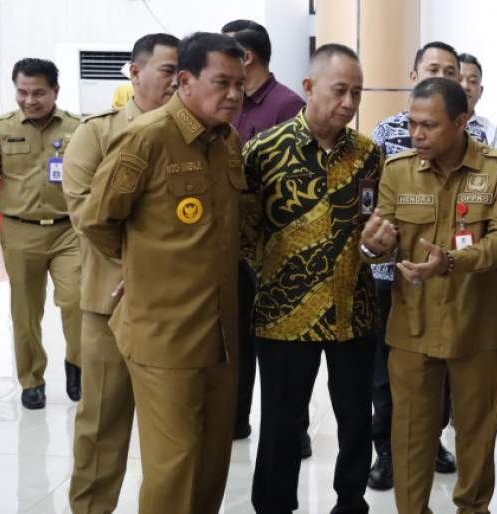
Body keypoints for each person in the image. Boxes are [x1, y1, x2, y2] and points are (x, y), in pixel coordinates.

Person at [80, 32, 246, 513]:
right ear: (186, 81)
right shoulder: (147, 138)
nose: (234, 94)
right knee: (174, 467)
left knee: (212, 461)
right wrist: (138, 267)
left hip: (220, 332)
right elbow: (97, 220)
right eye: (222, 82)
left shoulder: (228, 141)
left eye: (239, 84)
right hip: (164, 334)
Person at [360, 77, 497, 514]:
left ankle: (474, 508)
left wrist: (450, 261)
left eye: (429, 125)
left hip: (476, 324)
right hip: (413, 325)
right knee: (410, 435)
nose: (417, 134)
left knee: (476, 433)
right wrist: (373, 246)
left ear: (461, 121)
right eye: (412, 124)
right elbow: (382, 240)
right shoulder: (398, 170)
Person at [242, 43, 380, 514]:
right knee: (282, 422)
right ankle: (275, 504)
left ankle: (350, 502)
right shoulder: (263, 152)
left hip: (352, 311)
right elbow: (245, 235)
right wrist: (278, 273)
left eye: (356, 93)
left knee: (356, 420)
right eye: (339, 90)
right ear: (308, 87)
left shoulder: (368, 155)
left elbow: (373, 227)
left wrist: (378, 245)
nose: (348, 102)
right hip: (284, 316)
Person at [63, 33, 179, 514]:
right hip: (110, 300)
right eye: (167, 70)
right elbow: (84, 214)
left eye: (182, 73)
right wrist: (140, 267)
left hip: (175, 305)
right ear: (135, 72)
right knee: (101, 422)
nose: (176, 82)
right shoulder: (97, 133)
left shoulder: (190, 136)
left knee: (171, 430)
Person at [368, 40, 462, 491]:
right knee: (389, 370)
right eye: (432, 68)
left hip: (447, 275)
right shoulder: (388, 133)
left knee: (440, 365)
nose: (440, 76)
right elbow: (376, 203)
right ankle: (387, 449)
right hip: (392, 276)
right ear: (413, 75)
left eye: (449, 71)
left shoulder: (473, 137)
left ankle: (432, 439)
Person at [221, 18, 307, 445]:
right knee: (236, 338)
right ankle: (236, 420)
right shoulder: (225, 103)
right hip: (233, 244)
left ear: (247, 56)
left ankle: (294, 429)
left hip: (276, 248)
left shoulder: (286, 105)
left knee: (281, 345)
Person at [0, 58, 81, 409]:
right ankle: (31, 380)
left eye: (38, 93)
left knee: (77, 301)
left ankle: (78, 365)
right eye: (22, 92)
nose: (29, 100)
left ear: (55, 91)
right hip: (20, 231)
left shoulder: (78, 128)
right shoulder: (3, 128)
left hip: (68, 231)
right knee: (25, 311)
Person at [458, 52, 497, 153]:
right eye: (459, 79)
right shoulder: (433, 126)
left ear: (481, 91)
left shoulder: (495, 133)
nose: (465, 86)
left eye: (473, 81)